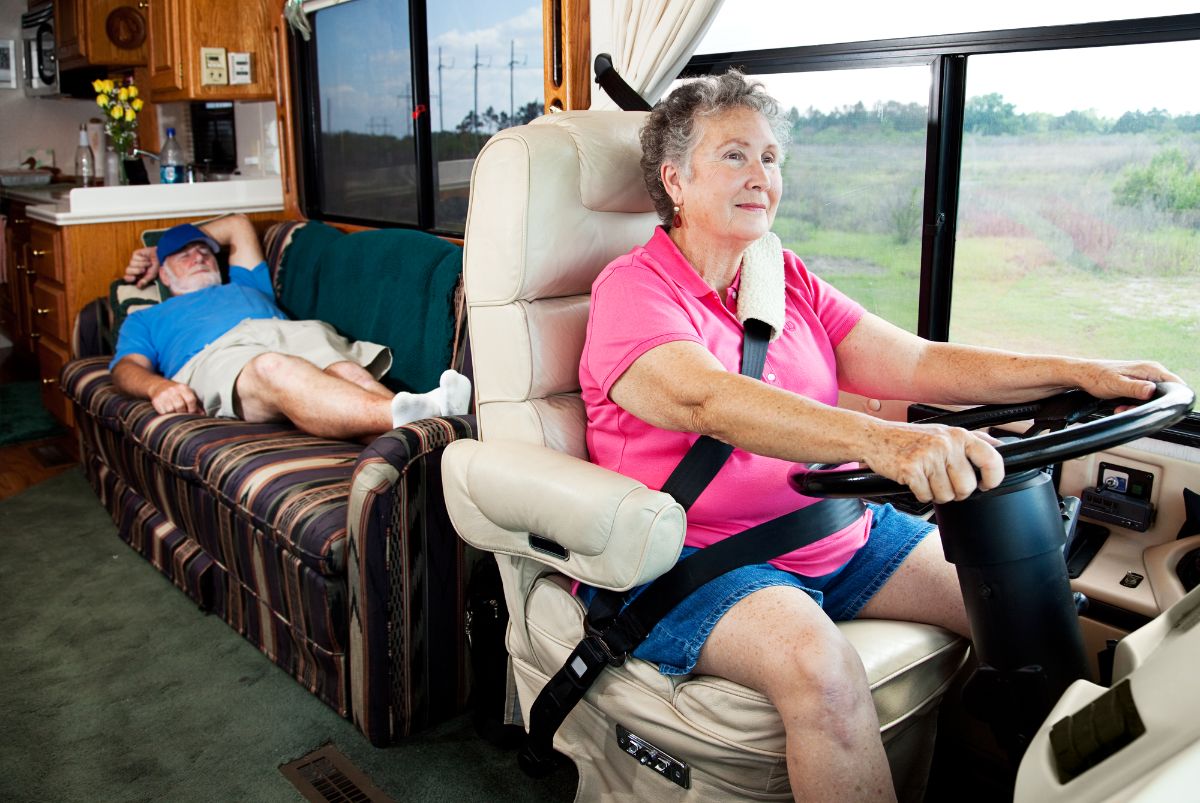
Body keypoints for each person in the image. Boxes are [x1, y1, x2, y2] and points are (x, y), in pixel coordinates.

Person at [578, 71, 1181, 802]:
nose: (761, 175)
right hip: (700, 560)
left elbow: (919, 361)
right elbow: (708, 398)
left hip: (835, 533)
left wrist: (1079, 370)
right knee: (822, 669)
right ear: (674, 178)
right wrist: (880, 442)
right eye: (735, 155)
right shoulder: (631, 289)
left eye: (772, 158)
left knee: (1023, 600)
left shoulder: (782, 276)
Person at [111, 215, 470, 441]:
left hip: (284, 330)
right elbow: (126, 369)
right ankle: (428, 415)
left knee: (346, 370)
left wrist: (166, 244)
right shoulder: (148, 317)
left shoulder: (244, 284)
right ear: (164, 273)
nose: (199, 256)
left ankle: (421, 436)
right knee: (272, 367)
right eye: (183, 255)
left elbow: (236, 224)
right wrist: (158, 388)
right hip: (217, 353)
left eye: (203, 250)